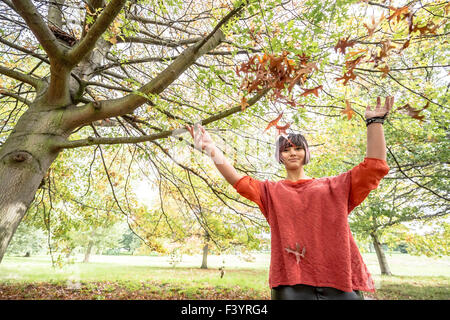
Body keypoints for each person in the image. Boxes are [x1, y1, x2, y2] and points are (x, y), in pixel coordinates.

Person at [186, 96, 394, 300]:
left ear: (306, 153)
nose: (292, 153)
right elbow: (237, 180)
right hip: (290, 286)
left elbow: (373, 167)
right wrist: (210, 148)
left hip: (339, 282)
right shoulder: (270, 191)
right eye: (286, 149)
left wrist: (374, 123)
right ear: (279, 156)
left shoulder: (335, 186)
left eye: (298, 148)